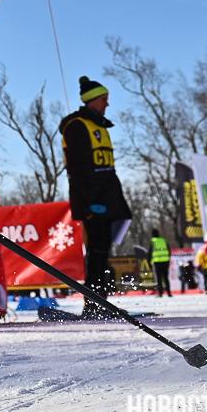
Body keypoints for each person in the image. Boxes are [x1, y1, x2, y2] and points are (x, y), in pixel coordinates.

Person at [60, 76, 132, 319]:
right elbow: (78, 169)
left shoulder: (100, 126)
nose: (107, 105)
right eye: (104, 100)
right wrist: (89, 202)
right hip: (93, 200)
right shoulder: (78, 125)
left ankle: (102, 302)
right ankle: (93, 304)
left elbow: (107, 169)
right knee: (96, 253)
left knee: (103, 251)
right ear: (92, 101)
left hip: (108, 197)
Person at [149, 228, 171, 297]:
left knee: (159, 278)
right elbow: (169, 250)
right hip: (165, 261)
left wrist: (149, 261)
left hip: (157, 262)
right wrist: (168, 259)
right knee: (166, 278)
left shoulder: (153, 241)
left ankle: (160, 293)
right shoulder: (164, 240)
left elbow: (150, 252)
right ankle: (169, 293)